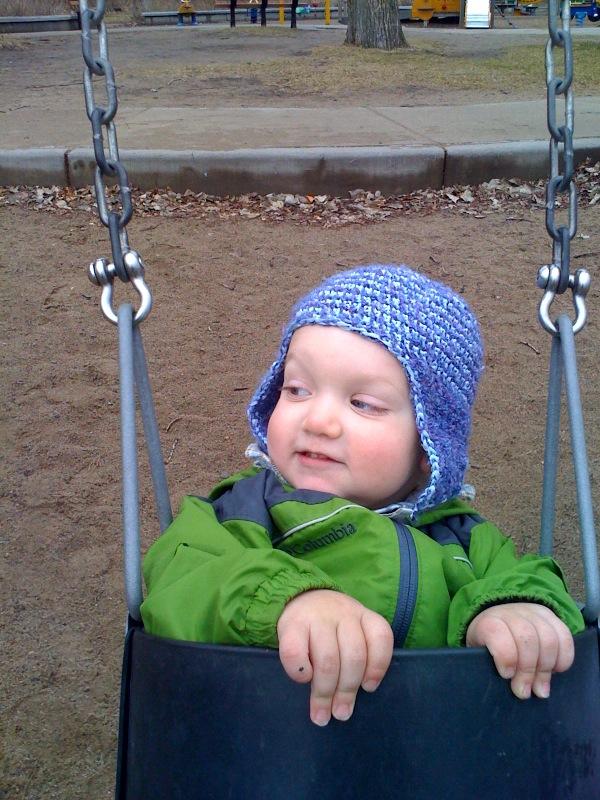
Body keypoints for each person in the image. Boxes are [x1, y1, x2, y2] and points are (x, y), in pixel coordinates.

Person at [141, 264, 584, 727]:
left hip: (424, 748)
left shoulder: (463, 539)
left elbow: (529, 580)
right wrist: (286, 600)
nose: (318, 421)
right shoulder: (245, 511)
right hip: (271, 741)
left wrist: (512, 611)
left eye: (363, 404)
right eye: (297, 389)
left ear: (429, 447)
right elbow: (180, 575)